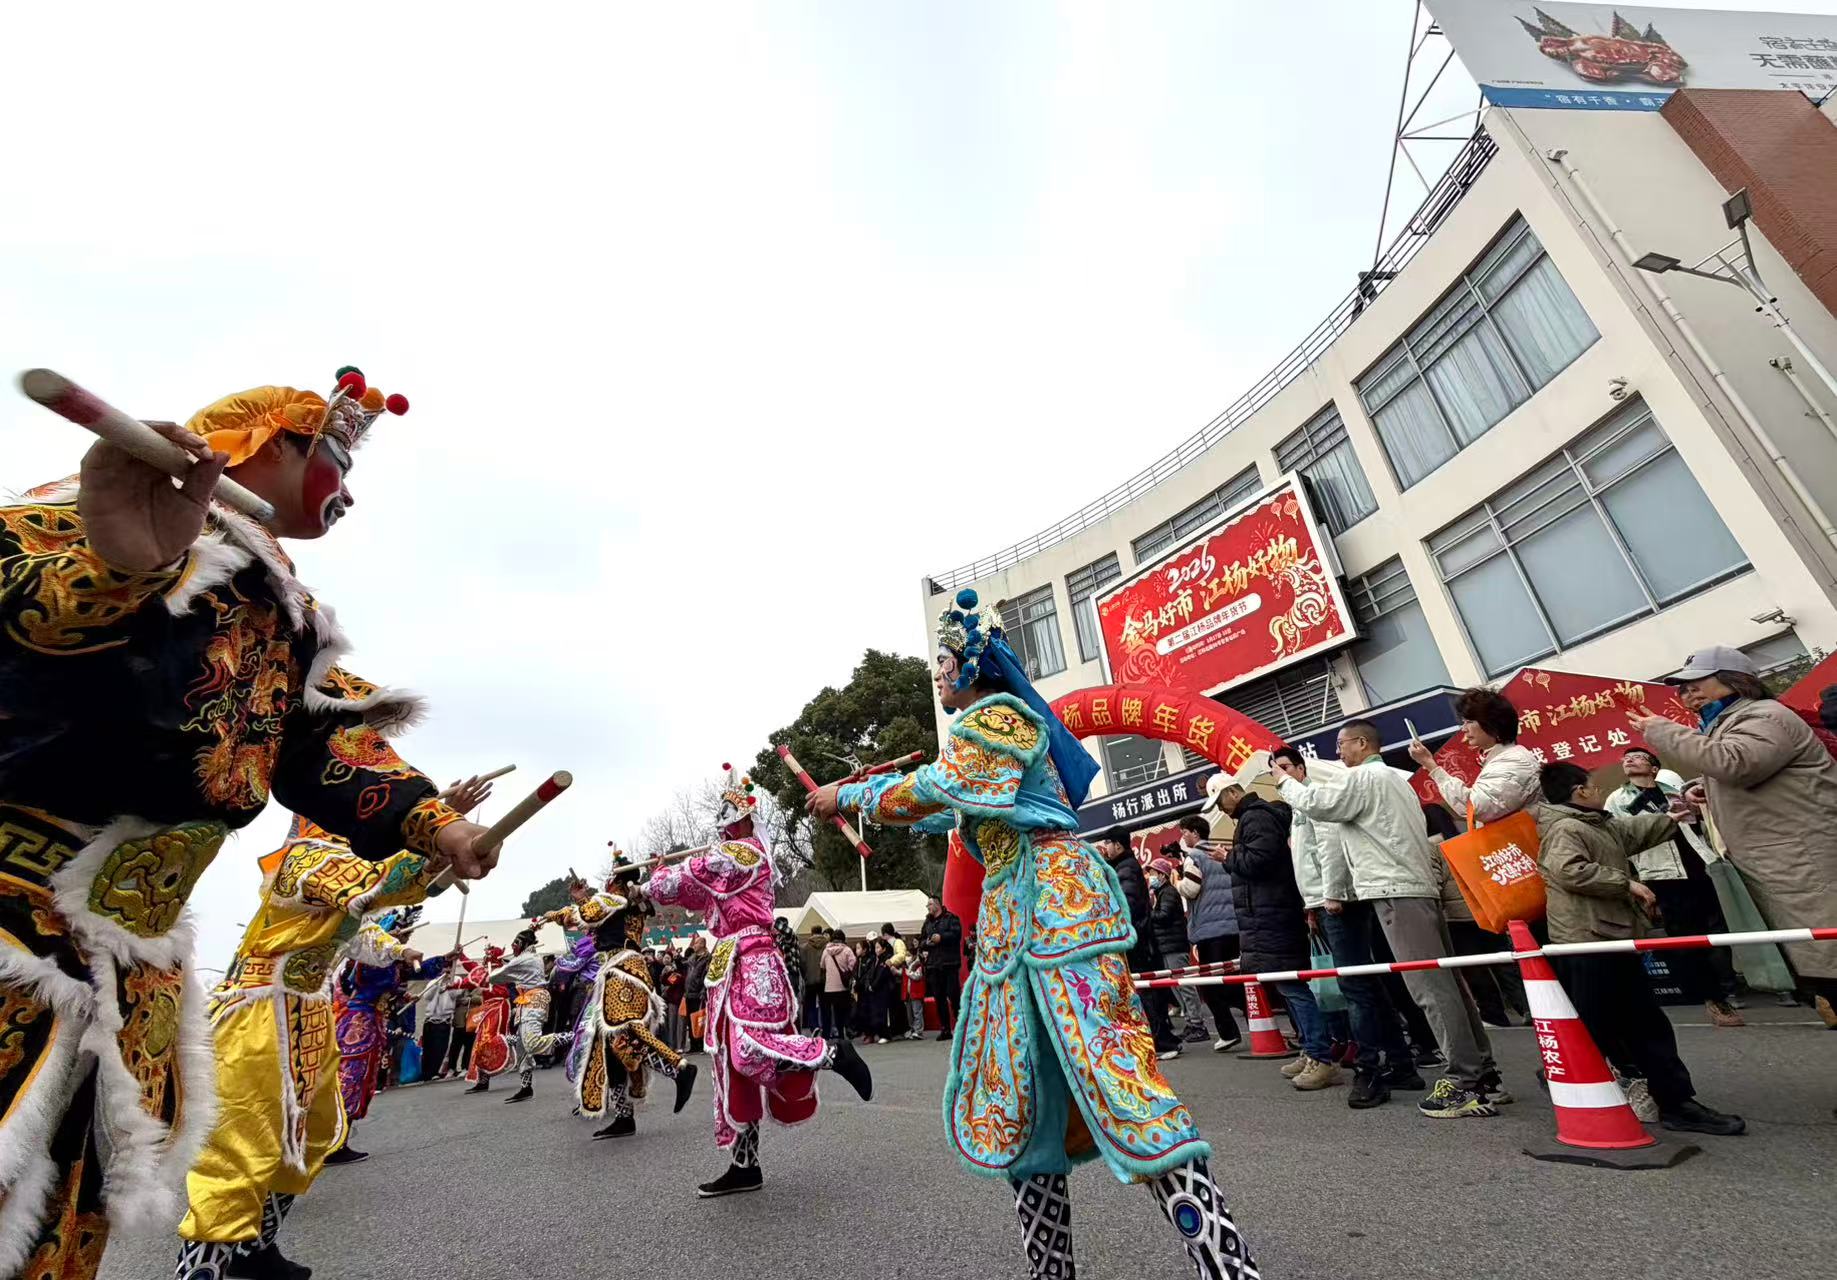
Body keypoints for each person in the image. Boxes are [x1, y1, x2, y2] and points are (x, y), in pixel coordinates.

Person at [0, 369, 501, 1280]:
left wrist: (437, 828)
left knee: (62, 1212)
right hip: (16, 911)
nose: (348, 494)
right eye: (337, 460)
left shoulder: (284, 606)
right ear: (274, 444)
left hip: (131, 952)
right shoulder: (85, 507)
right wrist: (116, 571)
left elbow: (320, 745)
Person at [812, 589, 1255, 1280]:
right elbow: (945, 807)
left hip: (1055, 906)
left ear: (971, 666)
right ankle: (1052, 1270)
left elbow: (935, 789)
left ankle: (1227, 1265)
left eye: (943, 661)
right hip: (1016, 915)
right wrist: (879, 798)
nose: (937, 674)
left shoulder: (998, 717)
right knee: (1019, 1093)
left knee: (1117, 1076)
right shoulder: (987, 740)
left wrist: (851, 795)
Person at [175, 785, 486, 1280]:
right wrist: (432, 835)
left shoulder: (336, 869)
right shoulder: (304, 859)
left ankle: (256, 1247)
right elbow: (372, 884)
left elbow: (362, 929)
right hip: (258, 1013)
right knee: (240, 1144)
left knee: (310, 1134)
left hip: (308, 1012)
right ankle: (200, 1270)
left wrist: (435, 835)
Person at [646, 767, 871, 1196]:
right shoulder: (728, 862)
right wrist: (656, 881)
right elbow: (686, 891)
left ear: (746, 820)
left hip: (754, 960)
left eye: (730, 821)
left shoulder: (745, 854)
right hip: (729, 963)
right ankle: (744, 1164)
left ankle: (829, 1052)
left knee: (749, 1051)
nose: (724, 829)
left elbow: (688, 875)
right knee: (730, 1067)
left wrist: (656, 880)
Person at [1276, 722, 1503, 1119]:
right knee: (1446, 984)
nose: (1339, 753)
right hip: (1413, 885)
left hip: (1395, 888)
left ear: (1362, 743)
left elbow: (1319, 805)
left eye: (1342, 744)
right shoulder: (1396, 781)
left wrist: (1284, 784)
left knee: (1430, 989)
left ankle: (1466, 1082)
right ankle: (1482, 1073)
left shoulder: (1364, 778)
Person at [1533, 764, 1746, 1136]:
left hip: (1609, 938)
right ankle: (1577, 1080)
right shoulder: (1567, 829)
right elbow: (1569, 870)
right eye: (1595, 786)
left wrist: (1674, 816)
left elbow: (1631, 832)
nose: (1600, 791)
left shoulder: (1595, 825)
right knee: (1616, 1025)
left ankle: (1673, 1101)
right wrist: (1627, 884)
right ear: (1580, 791)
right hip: (1588, 942)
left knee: (1633, 1024)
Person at [1633, 647, 1837, 1019]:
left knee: (1827, 955)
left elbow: (1736, 763)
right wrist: (1705, 788)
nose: (1688, 693)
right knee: (1816, 962)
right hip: (1783, 860)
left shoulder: (1764, 714)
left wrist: (1664, 731)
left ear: (1735, 680)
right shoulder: (1728, 723)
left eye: (1697, 683)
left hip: (1802, 859)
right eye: (1683, 688)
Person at [1275, 746, 1421, 1109]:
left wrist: (1332, 894)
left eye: (1284, 766)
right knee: (1365, 983)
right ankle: (1400, 1063)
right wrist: (1312, 904)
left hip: (1339, 901)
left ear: (1301, 767)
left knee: (1356, 985)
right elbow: (1308, 859)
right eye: (1274, 769)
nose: (1279, 774)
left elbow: (1330, 848)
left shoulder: (1318, 794)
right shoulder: (1298, 806)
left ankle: (1370, 1069)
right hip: (1324, 901)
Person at [539, 863, 695, 1139]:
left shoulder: (616, 899)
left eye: (611, 876)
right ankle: (624, 1117)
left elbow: (585, 915)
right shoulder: (625, 902)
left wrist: (556, 914)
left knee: (625, 1034)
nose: (607, 880)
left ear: (617, 881)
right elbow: (596, 916)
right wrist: (582, 898)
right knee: (612, 1047)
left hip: (623, 972)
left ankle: (678, 1068)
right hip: (620, 970)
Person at [1211, 782, 1341, 1091]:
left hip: (1272, 915)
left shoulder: (1256, 817)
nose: (1221, 809)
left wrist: (1229, 857)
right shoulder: (1257, 817)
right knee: (1287, 987)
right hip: (1268, 915)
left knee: (1293, 987)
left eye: (1220, 801)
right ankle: (1311, 1050)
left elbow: (1259, 862)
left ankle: (1320, 1056)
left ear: (1233, 793)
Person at [1606, 747, 1743, 1026]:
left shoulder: (1675, 791)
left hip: (1700, 866)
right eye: (1626, 759)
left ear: (1654, 768)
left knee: (1718, 931)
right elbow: (1615, 840)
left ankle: (1729, 987)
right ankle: (1713, 998)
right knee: (1686, 936)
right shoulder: (1617, 799)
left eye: (1638, 757)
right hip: (1662, 873)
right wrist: (1633, 879)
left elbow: (1701, 823)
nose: (1629, 760)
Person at [1098, 828, 1179, 1058]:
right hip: (1141, 938)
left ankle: (1162, 1043)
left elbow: (1127, 905)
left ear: (1118, 845)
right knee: (1149, 991)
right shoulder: (1124, 867)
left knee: (1146, 993)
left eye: (1108, 842)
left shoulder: (1125, 869)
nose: (1106, 847)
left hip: (1137, 940)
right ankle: (1164, 1038)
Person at [1409, 687, 1541, 822]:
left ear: (1493, 724)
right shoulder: (1504, 758)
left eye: (1469, 722)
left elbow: (1474, 808)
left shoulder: (1513, 762)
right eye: (1463, 722)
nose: (1464, 729)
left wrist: (1431, 765)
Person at [1179, 813, 1245, 1051]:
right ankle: (1259, 1022)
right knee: (1235, 980)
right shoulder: (1221, 852)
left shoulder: (1194, 857)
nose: (1183, 837)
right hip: (1232, 926)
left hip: (1209, 929)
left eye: (1185, 832)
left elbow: (1190, 889)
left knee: (1211, 985)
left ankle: (1228, 1032)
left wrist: (1177, 882)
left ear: (1195, 833)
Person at [1148, 852, 1210, 1050]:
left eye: (1153, 873)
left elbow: (1164, 915)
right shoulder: (1160, 893)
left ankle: (1197, 1023)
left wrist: (1149, 913)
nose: (1151, 877)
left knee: (1184, 985)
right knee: (1175, 985)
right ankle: (1191, 1022)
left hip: (1174, 945)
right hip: (1166, 945)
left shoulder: (1168, 892)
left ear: (1163, 875)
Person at [486, 928, 551, 1104]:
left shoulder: (526, 958)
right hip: (525, 1002)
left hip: (534, 1000)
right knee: (523, 1048)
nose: (513, 945)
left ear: (524, 944)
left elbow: (495, 977)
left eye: (516, 942)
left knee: (531, 1043)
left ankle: (572, 1037)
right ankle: (525, 1088)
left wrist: (494, 964)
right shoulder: (527, 958)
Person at [462, 946, 516, 1092]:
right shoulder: (487, 971)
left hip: (498, 1008)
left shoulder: (502, 971)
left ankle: (516, 1046)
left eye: (488, 955)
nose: (485, 958)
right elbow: (472, 968)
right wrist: (461, 955)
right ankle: (483, 1079)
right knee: (481, 1042)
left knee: (487, 1041)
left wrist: (487, 987)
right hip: (488, 1009)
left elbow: (503, 992)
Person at [920, 896, 964, 1040]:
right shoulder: (927, 922)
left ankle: (961, 1027)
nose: (928, 907)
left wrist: (941, 937)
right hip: (934, 964)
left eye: (930, 904)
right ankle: (945, 1028)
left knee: (954, 996)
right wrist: (926, 943)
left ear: (937, 904)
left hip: (949, 963)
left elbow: (956, 934)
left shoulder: (951, 918)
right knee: (939, 998)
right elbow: (921, 941)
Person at [821, 928, 857, 1039]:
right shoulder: (847, 950)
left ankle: (831, 1033)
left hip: (829, 988)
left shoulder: (826, 951)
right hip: (842, 987)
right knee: (843, 1011)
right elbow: (853, 964)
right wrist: (847, 971)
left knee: (831, 1012)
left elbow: (822, 965)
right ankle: (843, 1032)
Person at [685, 934, 712, 1054]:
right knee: (690, 1020)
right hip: (689, 993)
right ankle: (693, 1045)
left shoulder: (707, 958)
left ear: (702, 944)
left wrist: (703, 991)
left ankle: (701, 1044)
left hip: (699, 993)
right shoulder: (691, 959)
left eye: (696, 943)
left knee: (700, 1020)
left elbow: (706, 976)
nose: (694, 945)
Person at [801, 927, 829, 1033]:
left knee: (811, 1005)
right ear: (821, 932)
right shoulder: (827, 946)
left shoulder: (804, 947)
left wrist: (805, 976)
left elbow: (802, 964)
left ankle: (814, 1027)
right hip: (824, 980)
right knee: (824, 1005)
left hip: (810, 980)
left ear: (811, 933)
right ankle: (826, 1029)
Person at [903, 944, 929, 1040]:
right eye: (906, 955)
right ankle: (912, 1029)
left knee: (917, 1012)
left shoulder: (917, 965)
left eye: (909, 955)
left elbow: (917, 976)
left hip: (916, 992)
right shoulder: (906, 966)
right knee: (909, 1013)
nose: (907, 957)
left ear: (914, 956)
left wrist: (909, 973)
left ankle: (919, 1031)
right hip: (908, 993)